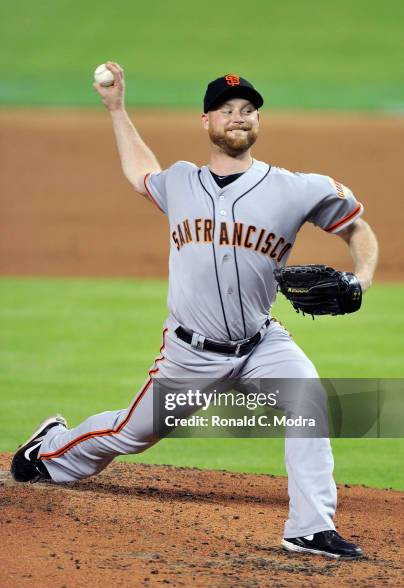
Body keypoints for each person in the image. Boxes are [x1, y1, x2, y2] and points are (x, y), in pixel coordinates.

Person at [11, 63, 378, 560]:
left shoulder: (295, 188)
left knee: (307, 401)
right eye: (226, 110)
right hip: (190, 353)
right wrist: (116, 108)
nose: (238, 117)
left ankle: (310, 528)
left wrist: (360, 278)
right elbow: (141, 172)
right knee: (130, 434)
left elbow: (358, 228)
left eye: (248, 110)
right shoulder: (181, 181)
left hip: (261, 343)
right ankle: (50, 449)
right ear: (205, 121)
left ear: (257, 123)